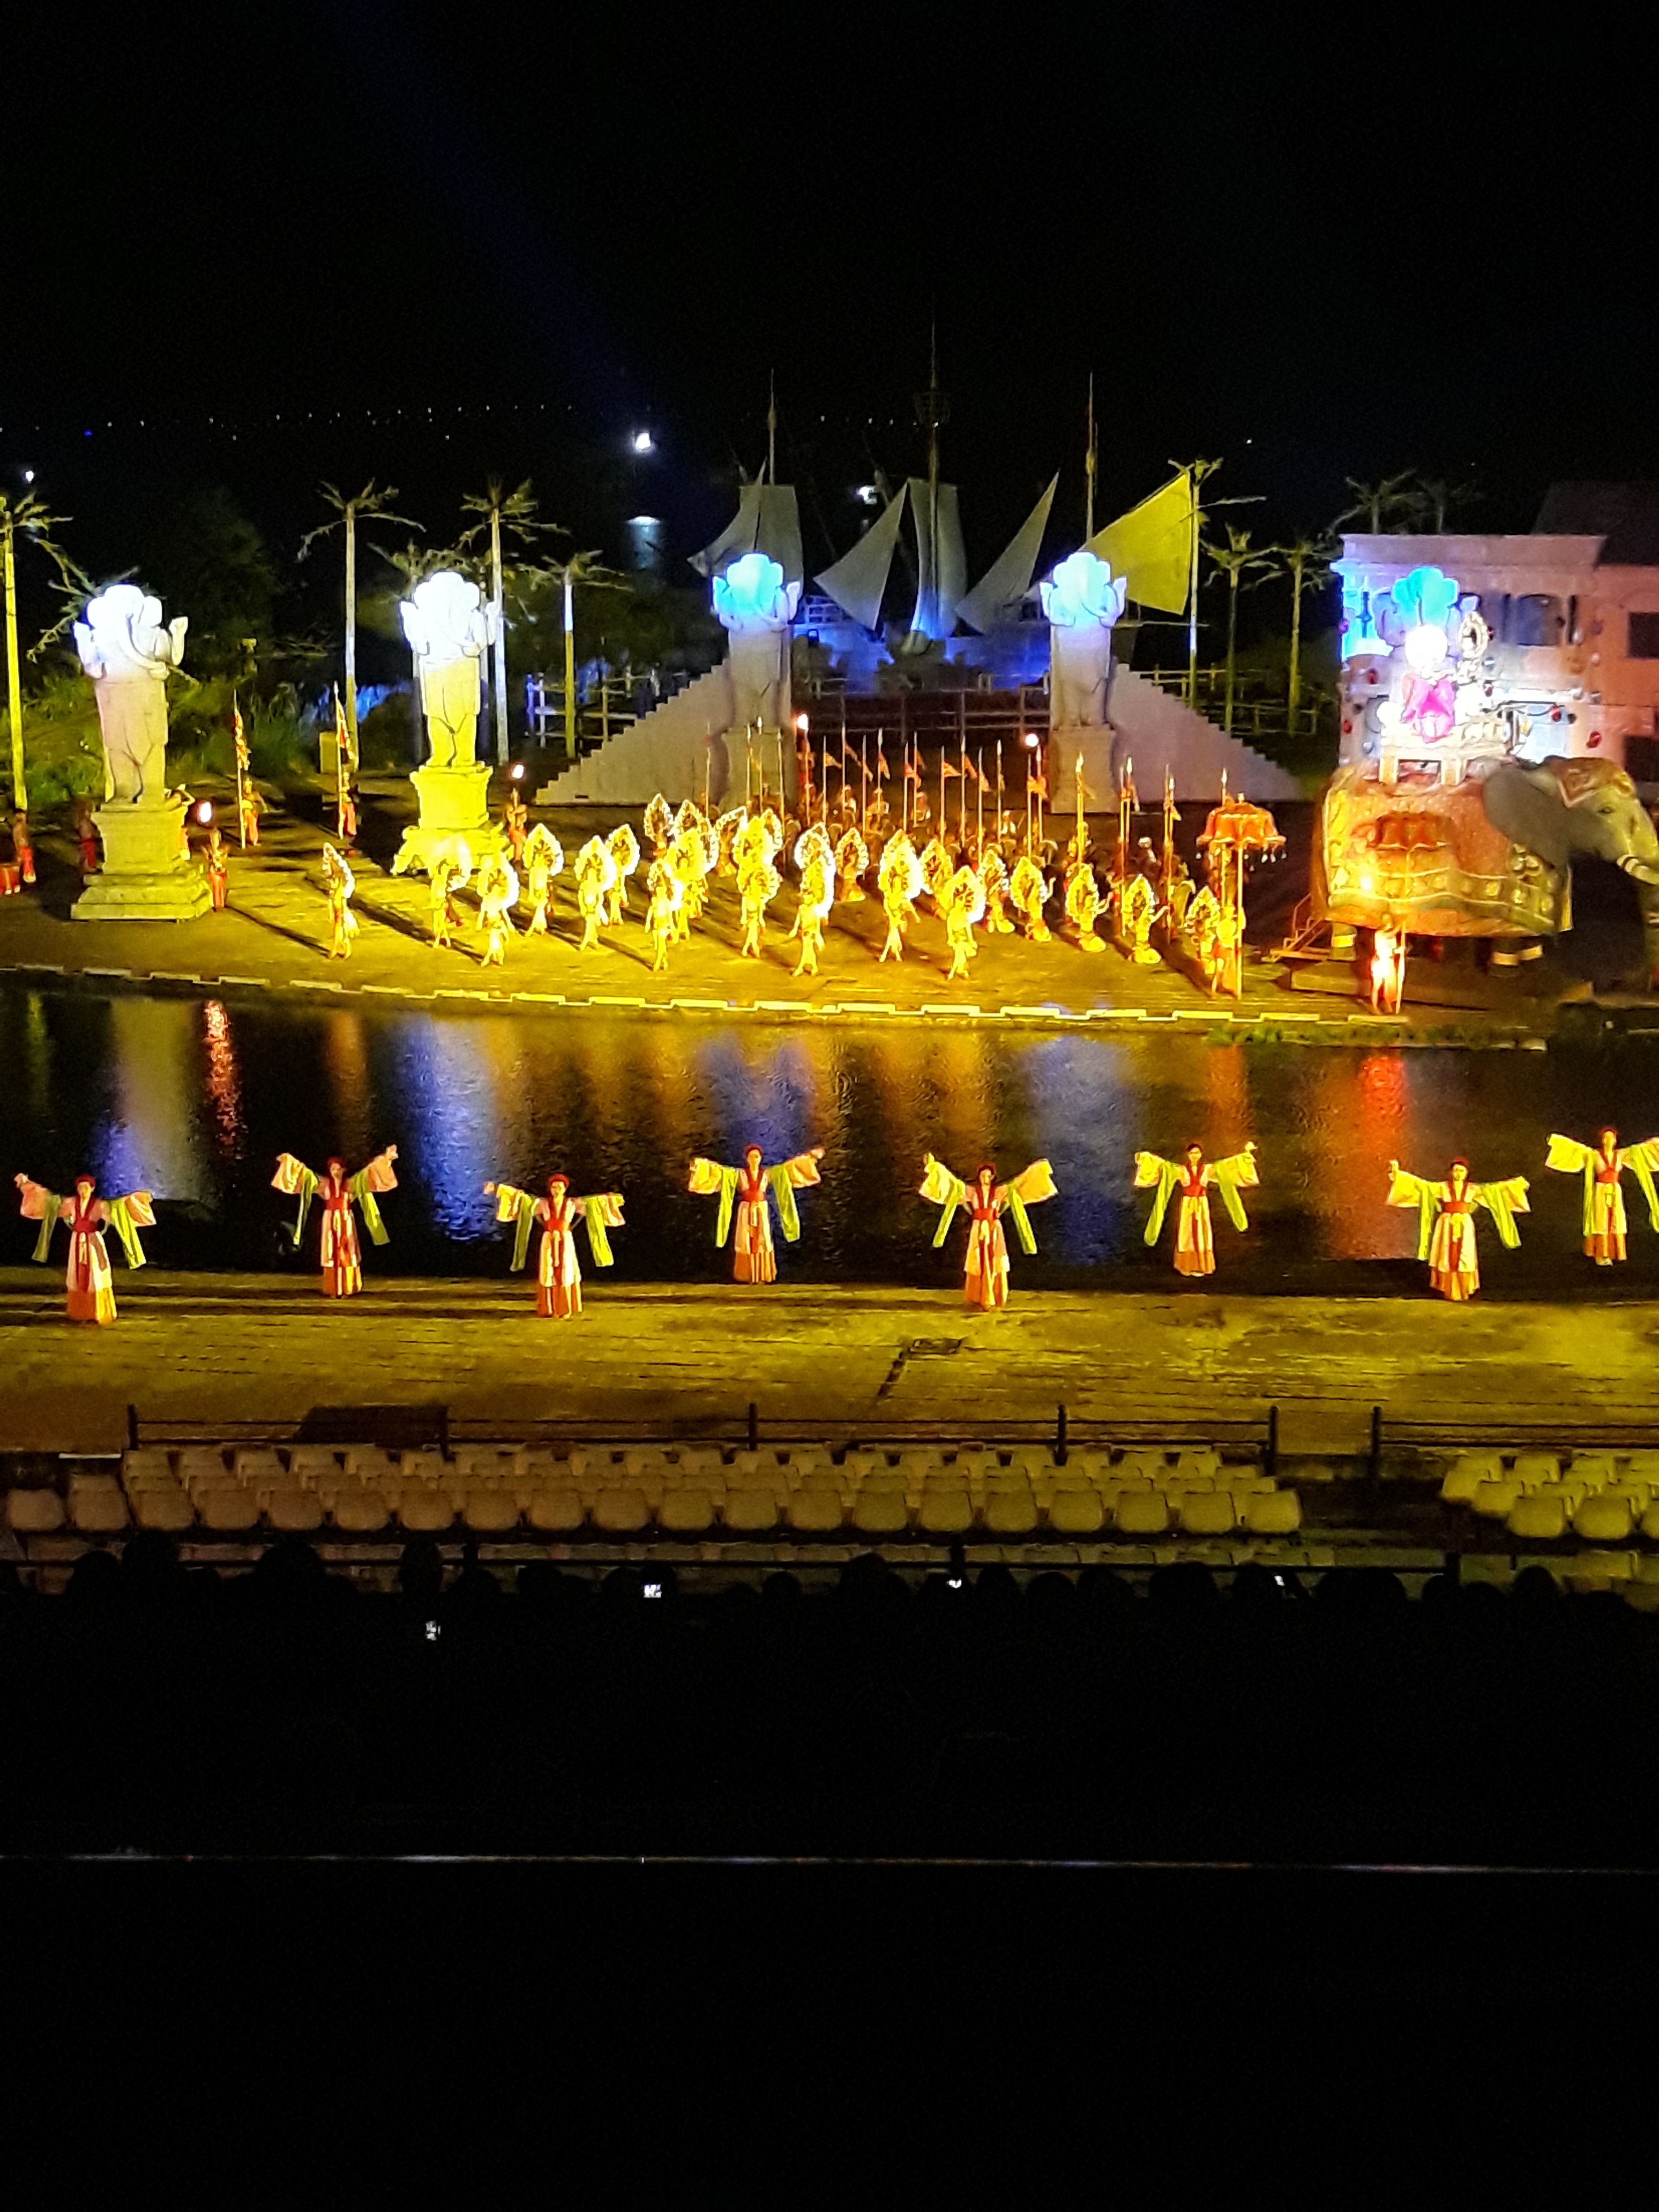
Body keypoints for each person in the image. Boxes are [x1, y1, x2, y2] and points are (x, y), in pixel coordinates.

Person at [918, 1154, 1057, 1310]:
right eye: (982, 1175)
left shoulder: (999, 1192)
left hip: (994, 1228)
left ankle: (995, 1294)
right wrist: (935, 1167)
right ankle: (978, 1295)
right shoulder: (972, 1192)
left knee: (994, 1257)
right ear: (979, 1177)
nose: (985, 1178)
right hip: (978, 1227)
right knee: (979, 1257)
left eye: (988, 1175)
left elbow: (1018, 1184)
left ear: (992, 1177)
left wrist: (1037, 1170)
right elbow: (954, 1184)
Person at [15, 1172, 155, 1324]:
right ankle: (80, 1312)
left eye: (86, 1188)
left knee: (95, 1274)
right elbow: (50, 1202)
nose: (83, 1191)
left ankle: (97, 1312)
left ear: (92, 1189)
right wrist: (27, 1185)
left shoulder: (99, 1205)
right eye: (81, 1188)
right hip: (77, 1241)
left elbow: (118, 1209)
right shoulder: (71, 1204)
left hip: (93, 1242)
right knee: (77, 1274)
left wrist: (140, 1200)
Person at [483, 1173, 625, 1318]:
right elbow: (521, 1199)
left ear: (565, 1189)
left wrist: (612, 1200)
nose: (557, 1190)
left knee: (566, 1269)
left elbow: (595, 1203)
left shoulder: (572, 1204)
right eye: (554, 1187)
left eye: (560, 1187)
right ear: (550, 1189)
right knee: (548, 1270)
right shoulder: (542, 1204)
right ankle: (548, 1308)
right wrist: (496, 1189)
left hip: (565, 1239)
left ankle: (565, 1308)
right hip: (549, 1239)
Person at [1387, 1156, 1528, 1301]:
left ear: (1467, 1173)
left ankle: (1463, 1289)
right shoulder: (1443, 1188)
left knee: (1464, 1254)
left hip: (1464, 1223)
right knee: (1446, 1254)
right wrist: (1398, 1174)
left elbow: (1495, 1191)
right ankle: (1448, 1289)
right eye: (1456, 1171)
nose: (1458, 1174)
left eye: (1462, 1171)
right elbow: (1421, 1186)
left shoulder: (1473, 1189)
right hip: (1446, 1223)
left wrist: (1517, 1185)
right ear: (1451, 1172)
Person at [688, 1143, 824, 1283]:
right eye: (752, 1157)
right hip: (746, 1210)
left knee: (762, 1240)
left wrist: (811, 1157)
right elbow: (719, 1172)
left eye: (757, 1157)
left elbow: (789, 1169)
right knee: (746, 1240)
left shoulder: (767, 1174)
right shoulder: (740, 1175)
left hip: (761, 1209)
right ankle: (747, 1275)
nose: (754, 1159)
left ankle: (762, 1274)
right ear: (747, 1159)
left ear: (760, 1158)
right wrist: (699, 1166)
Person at [273, 1146, 399, 1296]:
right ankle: (333, 1287)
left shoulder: (350, 1184)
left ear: (343, 1170)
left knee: (347, 1250)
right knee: (331, 1251)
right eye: (333, 1169)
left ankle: (349, 1286)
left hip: (345, 1219)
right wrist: (288, 1162)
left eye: (339, 1169)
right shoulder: (325, 1185)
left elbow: (368, 1174)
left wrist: (386, 1159)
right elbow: (305, 1175)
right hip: (330, 1220)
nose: (336, 1172)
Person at [1134, 1141, 1259, 1276]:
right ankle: (1187, 1265)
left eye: (1197, 1153)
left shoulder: (1207, 1170)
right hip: (1187, 1204)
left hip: (1201, 1204)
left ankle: (1202, 1265)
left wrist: (1245, 1156)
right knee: (1186, 1233)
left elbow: (1227, 1166)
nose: (1195, 1156)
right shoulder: (1182, 1170)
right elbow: (1165, 1167)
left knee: (1202, 1232)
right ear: (1188, 1155)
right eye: (1192, 1153)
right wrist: (1146, 1159)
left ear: (1201, 1155)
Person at [1544, 1126, 1659, 1265]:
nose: (1609, 1140)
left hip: (1615, 1191)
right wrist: (1555, 1141)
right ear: (1602, 1140)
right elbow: (1575, 1150)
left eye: (1612, 1137)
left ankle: (1616, 1252)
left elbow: (1643, 1150)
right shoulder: (1594, 1155)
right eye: (1606, 1137)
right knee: (1601, 1220)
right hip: (1600, 1191)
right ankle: (1602, 1254)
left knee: (1616, 1219)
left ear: (1615, 1141)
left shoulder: (1621, 1155)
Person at [877, 831, 922, 963]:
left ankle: (892, 954)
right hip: (893, 913)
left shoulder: (902, 894)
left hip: (895, 914)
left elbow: (909, 906)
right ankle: (889, 954)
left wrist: (916, 916)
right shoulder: (891, 894)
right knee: (893, 932)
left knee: (893, 932)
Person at [573, 836, 617, 952]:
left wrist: (597, 906)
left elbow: (600, 898)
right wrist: (583, 906)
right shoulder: (584, 885)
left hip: (594, 907)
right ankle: (594, 938)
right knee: (590, 922)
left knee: (590, 922)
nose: (591, 875)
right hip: (587, 906)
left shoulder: (597, 885)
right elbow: (581, 895)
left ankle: (586, 941)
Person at [522, 823, 562, 935]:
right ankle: (541, 925)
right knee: (539, 907)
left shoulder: (546, 870)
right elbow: (532, 881)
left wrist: (548, 892)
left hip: (543, 890)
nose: (539, 858)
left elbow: (548, 881)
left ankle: (532, 928)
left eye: (541, 856)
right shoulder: (533, 869)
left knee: (540, 905)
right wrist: (532, 892)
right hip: (536, 887)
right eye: (537, 856)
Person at [645, 857, 683, 973]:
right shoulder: (655, 900)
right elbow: (651, 911)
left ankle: (657, 963)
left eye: (661, 890)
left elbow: (669, 915)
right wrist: (648, 923)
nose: (659, 892)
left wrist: (672, 926)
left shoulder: (666, 901)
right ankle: (664, 960)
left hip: (663, 924)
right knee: (657, 945)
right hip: (655, 924)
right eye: (658, 889)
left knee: (661, 944)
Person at [323, 843, 357, 959]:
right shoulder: (333, 876)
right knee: (337, 929)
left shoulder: (340, 881)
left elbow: (341, 898)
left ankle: (340, 947)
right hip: (336, 906)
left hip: (340, 907)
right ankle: (340, 946)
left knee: (340, 928)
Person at [500, 787, 528, 868]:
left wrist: (517, 812)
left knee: (521, 839)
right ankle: (517, 860)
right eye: (513, 795)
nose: (515, 796)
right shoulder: (509, 807)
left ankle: (520, 860)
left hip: (521, 830)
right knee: (517, 839)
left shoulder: (522, 807)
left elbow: (523, 815)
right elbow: (511, 820)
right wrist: (513, 813)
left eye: (517, 794)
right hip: (512, 830)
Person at [72, 796, 100, 877]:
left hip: (89, 840)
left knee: (90, 854)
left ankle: (89, 866)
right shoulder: (84, 821)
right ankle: (88, 867)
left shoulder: (85, 821)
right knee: (88, 854)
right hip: (87, 840)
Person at [204, 826, 229, 910]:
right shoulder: (211, 850)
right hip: (215, 872)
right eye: (214, 839)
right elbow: (209, 859)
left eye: (217, 838)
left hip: (220, 872)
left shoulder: (221, 850)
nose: (215, 841)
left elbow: (224, 859)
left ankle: (221, 903)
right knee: (215, 889)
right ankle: (216, 903)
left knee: (221, 888)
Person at [10, 811, 36, 887]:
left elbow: (26, 838)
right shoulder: (19, 828)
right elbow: (17, 839)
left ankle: (26, 878)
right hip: (23, 848)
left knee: (27, 864)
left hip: (25, 849)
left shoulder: (23, 827)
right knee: (24, 863)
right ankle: (21, 879)